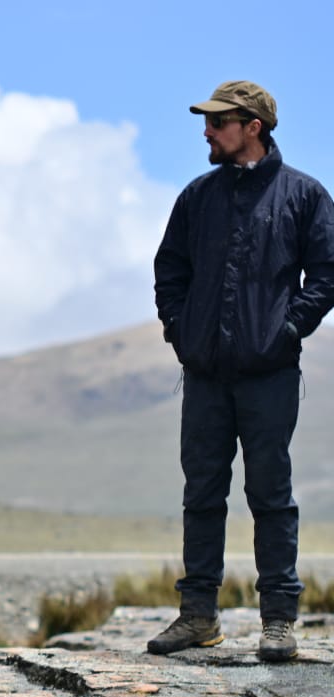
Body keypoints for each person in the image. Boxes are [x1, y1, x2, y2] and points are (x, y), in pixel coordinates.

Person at [149, 81, 334, 663]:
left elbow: (327, 275)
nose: (206, 131)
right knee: (201, 492)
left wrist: (286, 329)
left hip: (269, 374)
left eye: (218, 122)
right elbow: (169, 270)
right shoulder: (196, 197)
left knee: (270, 494)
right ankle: (198, 617)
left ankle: (278, 620)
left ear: (252, 125)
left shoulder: (304, 195)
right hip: (204, 374)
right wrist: (181, 332)